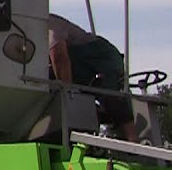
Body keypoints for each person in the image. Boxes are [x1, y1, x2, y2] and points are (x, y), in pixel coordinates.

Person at [47, 13, 137, 141]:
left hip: (102, 58)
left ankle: (133, 142)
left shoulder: (49, 24)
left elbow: (60, 58)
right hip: (82, 71)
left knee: (110, 94)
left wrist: (67, 96)